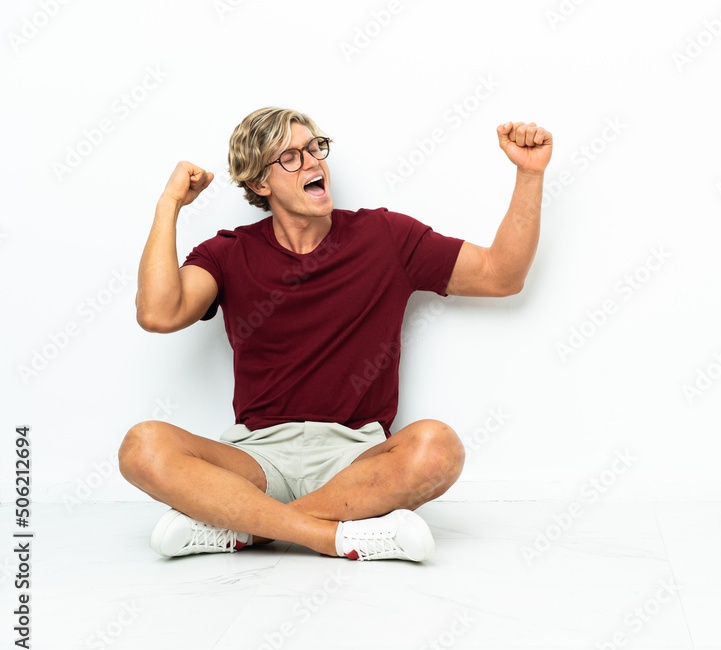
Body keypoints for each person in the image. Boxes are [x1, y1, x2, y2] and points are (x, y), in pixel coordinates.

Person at [118, 107, 552, 562]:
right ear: (259, 183)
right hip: (256, 458)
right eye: (290, 156)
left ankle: (244, 528)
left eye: (314, 148)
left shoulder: (386, 236)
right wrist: (168, 205)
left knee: (438, 448)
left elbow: (502, 275)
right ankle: (333, 537)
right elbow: (157, 313)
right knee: (142, 446)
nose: (312, 162)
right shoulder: (228, 252)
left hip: (356, 460)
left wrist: (529, 175)